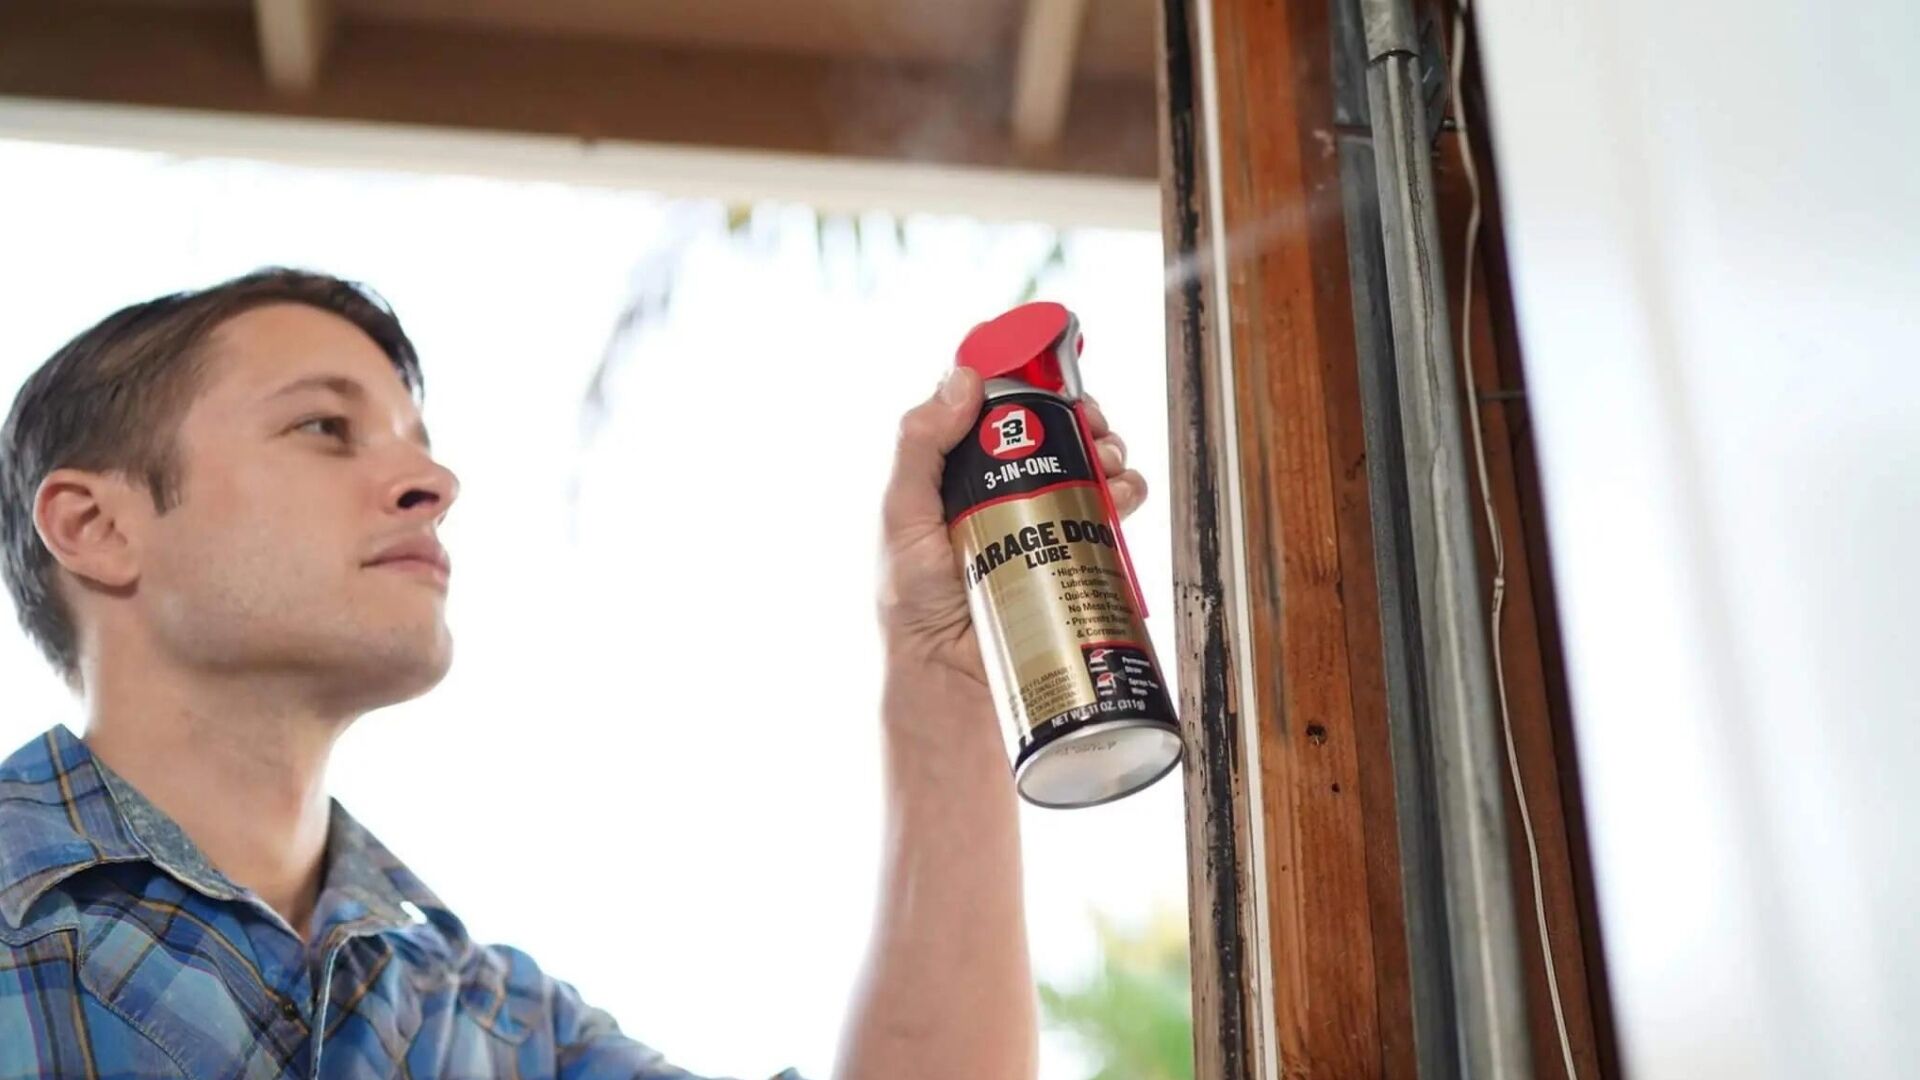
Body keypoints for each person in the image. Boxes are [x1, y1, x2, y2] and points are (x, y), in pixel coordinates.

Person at [0, 269, 1149, 1080]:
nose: (432, 482)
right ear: (97, 527)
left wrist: (940, 667)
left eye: (417, 440)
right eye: (323, 429)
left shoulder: (487, 1025)